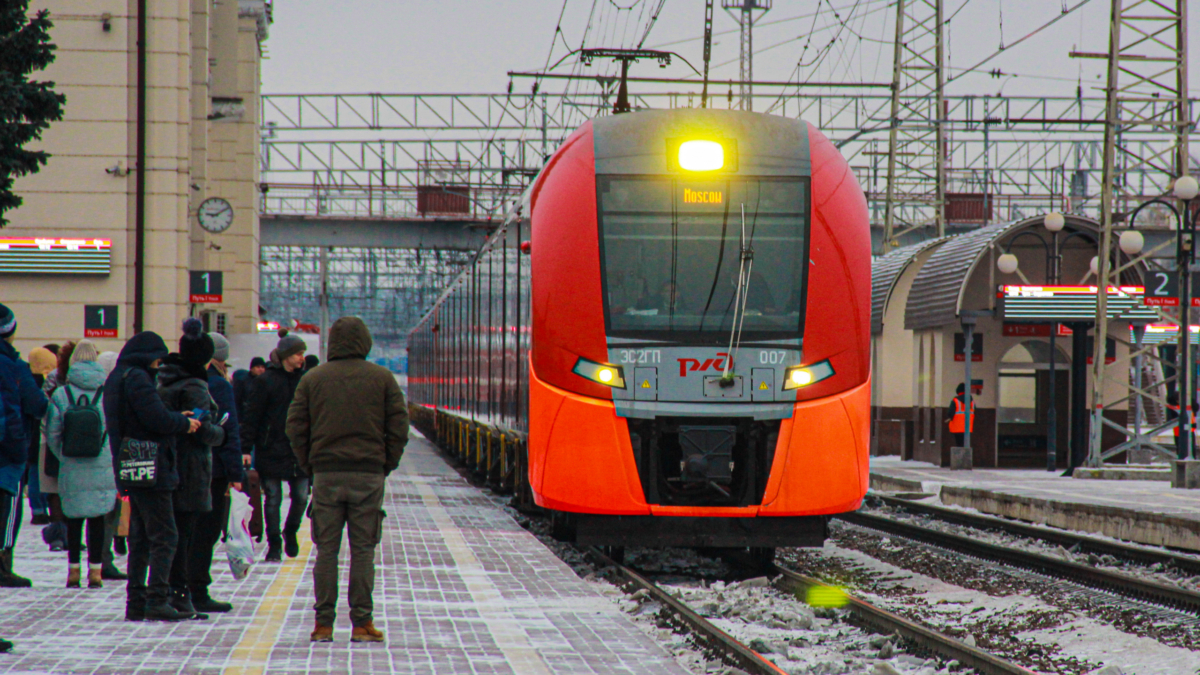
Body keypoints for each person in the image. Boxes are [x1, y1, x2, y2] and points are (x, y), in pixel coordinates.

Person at [286, 316, 408, 643]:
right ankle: (361, 623)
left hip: (326, 475)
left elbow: (295, 427)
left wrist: (311, 465)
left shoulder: (313, 379)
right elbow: (399, 427)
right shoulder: (382, 379)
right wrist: (385, 464)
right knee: (363, 550)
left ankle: (323, 624)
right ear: (365, 342)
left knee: (326, 551)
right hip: (368, 476)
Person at [104, 331, 202, 622]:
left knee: (141, 536)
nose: (159, 365)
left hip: (131, 464)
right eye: (158, 359)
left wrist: (174, 415)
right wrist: (183, 423)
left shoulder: (118, 377)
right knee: (165, 535)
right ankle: (157, 599)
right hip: (150, 465)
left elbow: (142, 414)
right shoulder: (137, 378)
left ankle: (136, 601)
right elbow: (155, 419)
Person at [158, 319, 226, 618]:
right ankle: (181, 595)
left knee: (172, 534)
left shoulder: (166, 379)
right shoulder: (195, 385)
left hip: (169, 465)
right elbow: (202, 429)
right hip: (191, 469)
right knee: (186, 535)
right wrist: (220, 432)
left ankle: (168, 592)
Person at [43, 340, 119, 589]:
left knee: (74, 517)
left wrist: (64, 454)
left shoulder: (61, 394)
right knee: (97, 516)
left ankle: (73, 570)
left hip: (72, 464)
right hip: (101, 464)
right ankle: (95, 572)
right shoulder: (107, 394)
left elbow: (52, 433)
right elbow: (113, 430)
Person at [242, 335, 308, 562]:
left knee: (300, 496)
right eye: (298, 353)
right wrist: (246, 448)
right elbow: (252, 416)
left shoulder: (305, 380)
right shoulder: (266, 381)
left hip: (299, 448)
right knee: (272, 498)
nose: (302, 357)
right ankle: (274, 543)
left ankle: (290, 530)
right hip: (270, 447)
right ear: (286, 356)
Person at [191, 331, 244, 613]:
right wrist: (237, 474)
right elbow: (229, 431)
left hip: (187, 467)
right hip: (215, 470)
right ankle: (198, 589)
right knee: (207, 532)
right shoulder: (219, 386)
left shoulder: (186, 378)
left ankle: (183, 586)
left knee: (189, 530)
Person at [0, 303, 50, 588]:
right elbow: (38, 405)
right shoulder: (15, 366)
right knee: (8, 509)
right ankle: (4, 564)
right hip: (8, 451)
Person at [26, 347, 56, 526]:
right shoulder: (47, 382)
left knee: (34, 469)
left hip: (29, 433)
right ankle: (42, 507)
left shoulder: (26, 380)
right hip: (41, 433)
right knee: (41, 470)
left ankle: (37, 509)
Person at [232, 356, 266, 423]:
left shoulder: (265, 382)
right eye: (258, 367)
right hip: (245, 418)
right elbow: (237, 401)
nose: (261, 369)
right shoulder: (242, 381)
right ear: (252, 369)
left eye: (262, 367)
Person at [1165, 392, 1198, 460]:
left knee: (1190, 446)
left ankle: (1189, 458)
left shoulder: (1189, 406)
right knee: (1182, 446)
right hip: (1180, 430)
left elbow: (1196, 409)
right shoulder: (1175, 407)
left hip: (1189, 429)